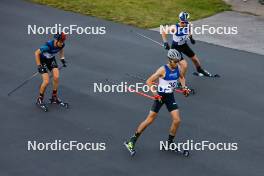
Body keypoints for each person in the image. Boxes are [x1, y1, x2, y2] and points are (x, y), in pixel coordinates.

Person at [124, 49, 190, 155]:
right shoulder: (162, 70)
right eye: (175, 61)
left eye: (178, 61)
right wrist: (155, 94)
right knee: (149, 120)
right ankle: (131, 141)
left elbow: (182, 77)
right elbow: (149, 81)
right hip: (160, 96)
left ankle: (169, 143)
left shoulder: (177, 67)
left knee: (177, 120)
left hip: (170, 97)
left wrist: (184, 87)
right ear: (169, 60)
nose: (177, 63)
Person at [162, 11, 212, 77]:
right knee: (183, 65)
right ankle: (179, 83)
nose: (184, 23)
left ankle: (200, 70)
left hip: (184, 45)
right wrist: (165, 42)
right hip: (176, 47)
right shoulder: (174, 27)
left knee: (195, 60)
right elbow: (163, 32)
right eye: (182, 22)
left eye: (185, 21)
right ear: (179, 20)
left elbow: (189, 31)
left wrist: (191, 38)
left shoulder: (189, 25)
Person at [35, 32, 68, 110]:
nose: (61, 43)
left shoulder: (62, 44)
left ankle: (54, 97)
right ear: (57, 40)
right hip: (42, 61)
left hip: (51, 60)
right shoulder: (48, 46)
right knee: (46, 81)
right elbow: (36, 53)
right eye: (60, 41)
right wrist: (39, 66)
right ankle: (40, 99)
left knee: (56, 77)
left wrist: (62, 60)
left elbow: (61, 52)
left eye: (63, 41)